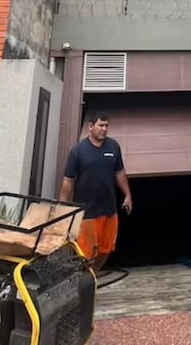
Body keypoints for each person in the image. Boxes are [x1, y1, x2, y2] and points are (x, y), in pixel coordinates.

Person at [59, 111, 132, 273]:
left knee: (106, 250)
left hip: (109, 209)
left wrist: (128, 195)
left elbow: (119, 172)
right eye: (101, 125)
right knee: (87, 253)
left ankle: (93, 276)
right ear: (91, 126)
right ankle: (85, 279)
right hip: (88, 212)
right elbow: (68, 180)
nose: (104, 129)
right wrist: (62, 207)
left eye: (106, 126)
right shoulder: (78, 150)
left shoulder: (113, 146)